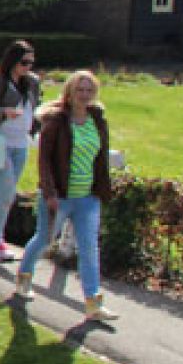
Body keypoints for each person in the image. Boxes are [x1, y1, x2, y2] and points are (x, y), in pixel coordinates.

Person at [14, 70, 117, 321]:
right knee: (44, 239)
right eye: (79, 90)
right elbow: (45, 161)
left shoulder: (97, 119)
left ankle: (93, 302)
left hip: (88, 198)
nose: (84, 95)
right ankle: (24, 277)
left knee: (89, 248)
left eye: (89, 91)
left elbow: (100, 157)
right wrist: (49, 192)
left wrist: (102, 187)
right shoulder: (57, 121)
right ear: (69, 92)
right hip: (59, 197)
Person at [0, 40, 43, 262]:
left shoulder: (31, 83)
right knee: (6, 192)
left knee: (7, 196)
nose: (28, 67)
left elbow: (36, 109)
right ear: (12, 61)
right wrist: (3, 112)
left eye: (31, 63)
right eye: (24, 62)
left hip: (20, 145)